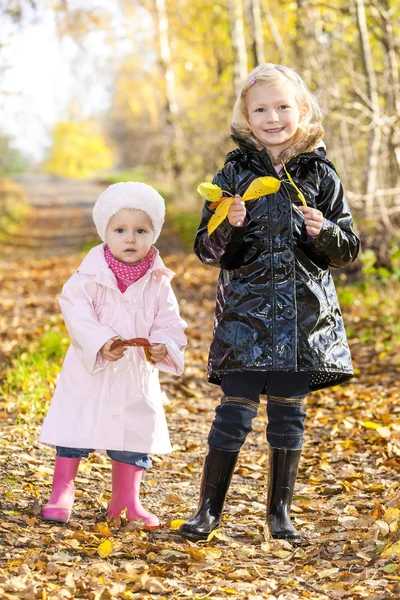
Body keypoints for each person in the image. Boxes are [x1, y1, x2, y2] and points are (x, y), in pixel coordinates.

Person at [179, 63, 360, 543]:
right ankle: (207, 511)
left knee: (287, 414)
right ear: (246, 116)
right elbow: (206, 249)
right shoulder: (233, 173)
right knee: (233, 412)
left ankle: (279, 512)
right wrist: (228, 223)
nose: (273, 117)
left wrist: (326, 232)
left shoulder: (321, 173)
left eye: (283, 107)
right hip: (245, 318)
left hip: (303, 321)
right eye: (261, 108)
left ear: (301, 111)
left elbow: (349, 249)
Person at [39, 181, 187, 526]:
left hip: (135, 369)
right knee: (76, 426)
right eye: (120, 230)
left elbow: (170, 320)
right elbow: (74, 309)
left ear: (155, 233)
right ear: (105, 231)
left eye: (141, 230)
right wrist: (101, 340)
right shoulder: (88, 276)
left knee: (133, 432)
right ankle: (62, 490)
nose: (130, 238)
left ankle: (126, 500)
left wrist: (163, 343)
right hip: (91, 367)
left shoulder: (158, 280)